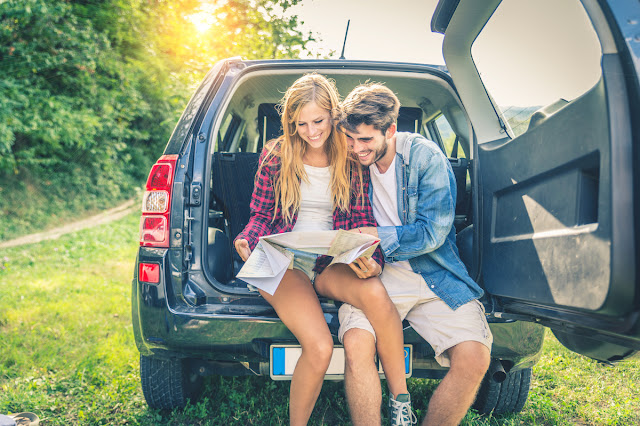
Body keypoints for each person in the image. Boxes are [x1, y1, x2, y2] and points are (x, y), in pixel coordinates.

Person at [233, 73, 410, 426]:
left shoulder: (350, 157)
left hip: (332, 259)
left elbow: (361, 217)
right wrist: (248, 240)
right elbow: (261, 216)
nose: (312, 131)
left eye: (318, 121)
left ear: (333, 114)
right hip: (285, 261)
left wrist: (371, 260)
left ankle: (400, 401)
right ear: (291, 123)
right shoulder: (276, 155)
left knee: (375, 293)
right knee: (320, 347)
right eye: (301, 124)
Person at [337, 82, 493, 426]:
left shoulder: (425, 156)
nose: (356, 149)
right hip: (373, 274)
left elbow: (433, 233)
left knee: (474, 357)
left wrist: (378, 236)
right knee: (357, 344)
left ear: (390, 130)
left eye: (366, 140)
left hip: (432, 272)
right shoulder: (347, 160)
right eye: (350, 139)